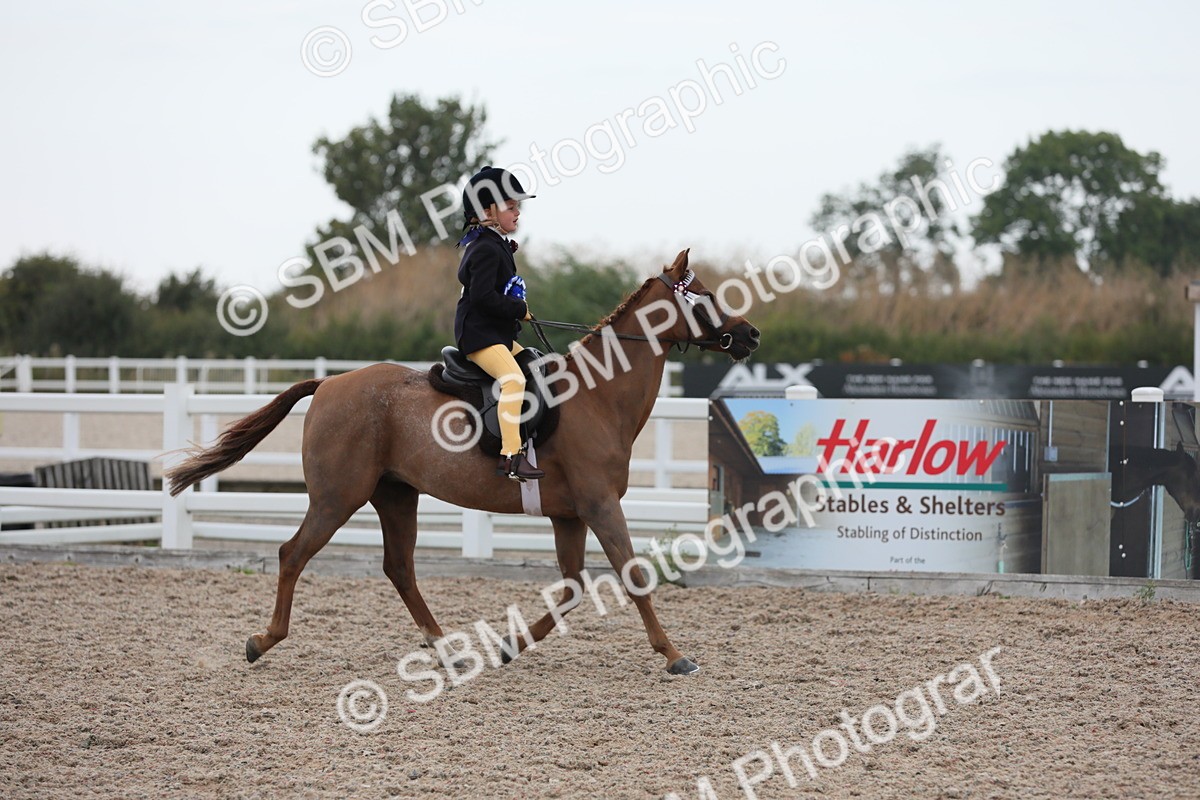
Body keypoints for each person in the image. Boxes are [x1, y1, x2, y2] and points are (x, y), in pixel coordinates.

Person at [454, 166, 545, 481]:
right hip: (480, 336)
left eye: (517, 205)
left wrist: (518, 311)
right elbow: (482, 298)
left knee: (538, 365)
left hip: (497, 334)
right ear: (487, 211)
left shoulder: (493, 243)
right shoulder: (485, 249)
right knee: (514, 381)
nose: (518, 212)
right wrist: (517, 309)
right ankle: (511, 457)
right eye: (511, 206)